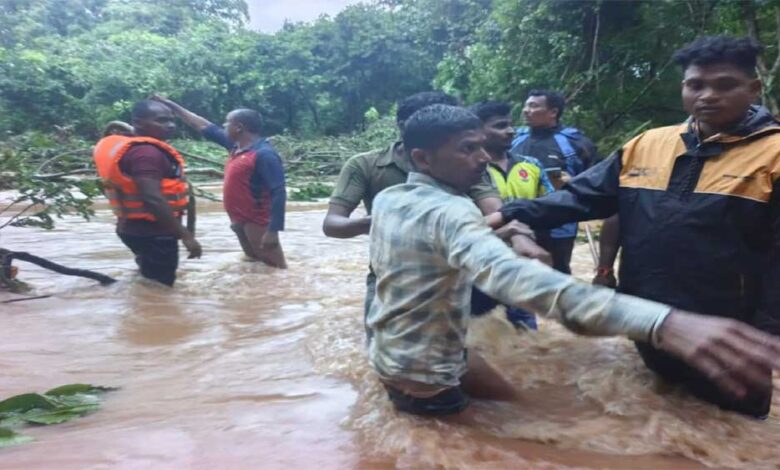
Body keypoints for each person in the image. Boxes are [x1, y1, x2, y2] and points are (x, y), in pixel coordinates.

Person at [368, 103, 780, 418]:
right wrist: (664, 322)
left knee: (522, 405)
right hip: (425, 375)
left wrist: (516, 231)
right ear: (422, 159)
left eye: (481, 145)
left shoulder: (391, 198)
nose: (482, 157)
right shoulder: (452, 212)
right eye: (467, 149)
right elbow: (520, 283)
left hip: (397, 349)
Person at [492, 36, 780, 417]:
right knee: (661, 410)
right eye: (696, 85)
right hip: (649, 315)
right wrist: (513, 213)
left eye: (724, 84)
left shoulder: (773, 154)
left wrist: (770, 328)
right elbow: (583, 196)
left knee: (735, 420)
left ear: (753, 88)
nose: (708, 95)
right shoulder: (647, 144)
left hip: (728, 328)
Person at [323, 91, 537, 322]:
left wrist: (516, 234)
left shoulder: (467, 162)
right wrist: (377, 222)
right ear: (405, 127)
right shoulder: (365, 165)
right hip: (392, 274)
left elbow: (495, 210)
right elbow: (332, 224)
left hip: (458, 270)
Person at [152, 96, 288, 268]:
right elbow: (201, 125)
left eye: (227, 123)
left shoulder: (264, 154)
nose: (223, 126)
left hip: (257, 219)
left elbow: (279, 192)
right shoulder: (235, 146)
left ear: (239, 127)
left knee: (275, 268)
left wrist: (273, 230)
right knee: (254, 263)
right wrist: (170, 104)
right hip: (238, 217)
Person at [93, 100, 202, 286]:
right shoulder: (146, 154)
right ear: (138, 123)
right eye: (161, 120)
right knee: (162, 292)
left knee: (148, 283)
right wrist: (186, 235)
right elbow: (151, 197)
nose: (170, 125)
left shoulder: (132, 147)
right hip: (154, 234)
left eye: (171, 120)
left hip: (130, 229)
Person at [470, 100, 555, 329]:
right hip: (480, 266)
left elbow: (550, 207)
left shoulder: (532, 165)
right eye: (500, 126)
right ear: (478, 132)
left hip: (523, 263)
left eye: (510, 124)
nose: (510, 131)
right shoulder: (467, 171)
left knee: (527, 335)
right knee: (479, 331)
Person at [510, 90, 599, 274]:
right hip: (518, 219)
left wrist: (573, 182)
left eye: (534, 106)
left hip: (559, 223)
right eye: (526, 105)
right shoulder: (513, 139)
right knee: (518, 275)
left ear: (553, 112)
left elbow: (596, 182)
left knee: (556, 272)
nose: (526, 110)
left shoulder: (575, 143)